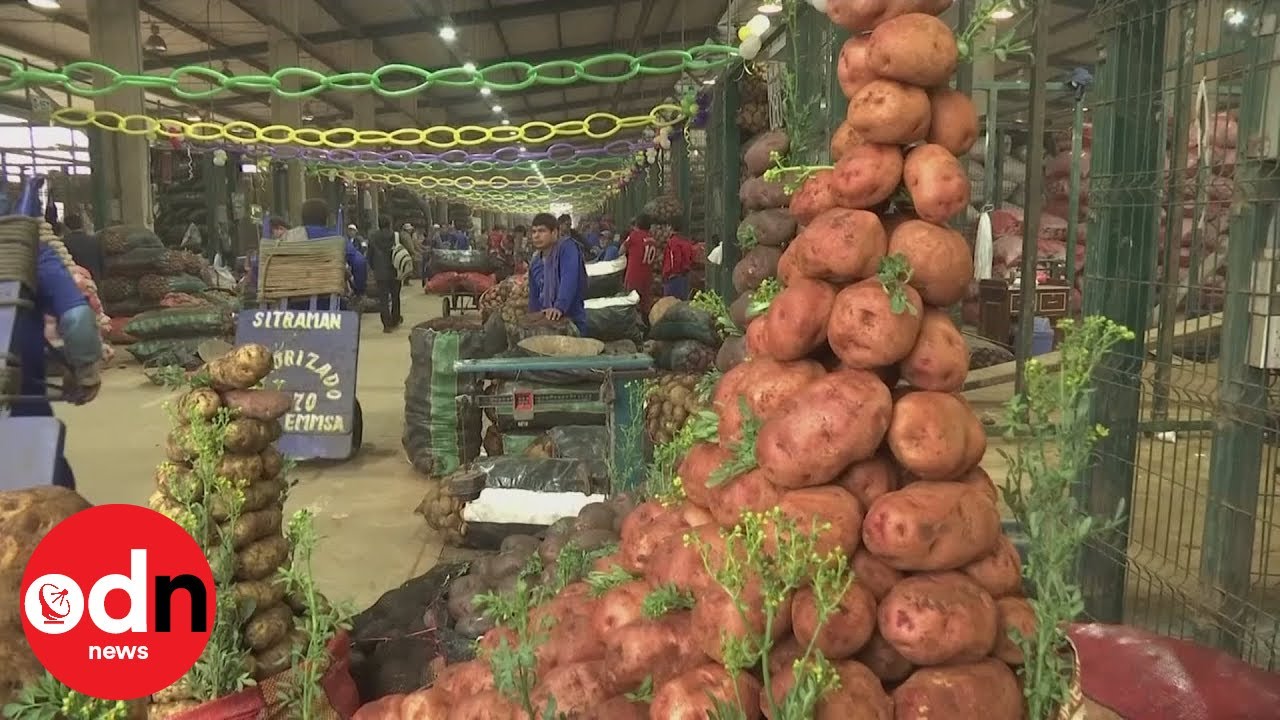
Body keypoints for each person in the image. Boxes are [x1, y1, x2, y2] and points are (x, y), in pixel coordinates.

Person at [12, 241, 104, 489]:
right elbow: (77, 316)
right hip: (21, 404)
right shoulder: (30, 251)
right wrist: (85, 372)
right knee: (50, 500)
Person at [252, 199, 367, 310]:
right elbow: (360, 262)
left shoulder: (287, 239)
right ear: (326, 218)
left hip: (290, 306)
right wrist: (359, 290)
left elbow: (258, 265)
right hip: (329, 304)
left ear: (302, 218)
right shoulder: (335, 240)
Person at [528, 212, 588, 335]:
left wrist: (559, 307)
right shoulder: (535, 262)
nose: (536, 236)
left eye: (541, 231)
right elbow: (534, 296)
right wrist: (533, 316)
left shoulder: (567, 248)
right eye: (534, 232)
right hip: (546, 323)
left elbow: (569, 279)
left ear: (554, 233)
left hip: (572, 321)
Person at [620, 214, 658, 314]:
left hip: (634, 275)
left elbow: (621, 250)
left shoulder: (634, 235)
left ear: (637, 224)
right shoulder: (653, 240)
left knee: (631, 303)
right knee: (645, 304)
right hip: (647, 276)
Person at [60, 212, 103, 282]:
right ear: (81, 225)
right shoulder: (94, 240)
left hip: (76, 282)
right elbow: (101, 261)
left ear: (66, 227)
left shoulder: (63, 242)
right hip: (95, 280)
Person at [662, 218, 697, 300]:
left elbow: (674, 259)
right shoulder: (686, 242)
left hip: (673, 278)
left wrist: (670, 273)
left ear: (670, 227)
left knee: (670, 306)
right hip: (684, 278)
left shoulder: (672, 242)